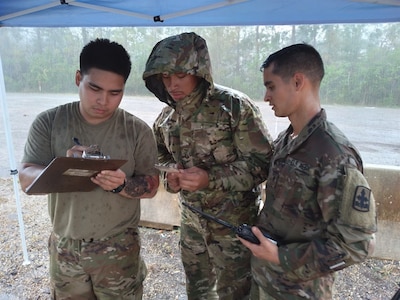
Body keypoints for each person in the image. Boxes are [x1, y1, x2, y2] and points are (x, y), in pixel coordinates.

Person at [19, 38, 160, 299]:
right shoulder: (50, 123)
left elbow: (151, 185)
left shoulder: (137, 131)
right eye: (94, 88)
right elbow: (26, 179)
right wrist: (63, 167)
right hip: (66, 249)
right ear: (77, 79)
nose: (103, 100)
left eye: (115, 93)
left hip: (119, 249)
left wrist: (123, 185)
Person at [239, 43, 377, 299]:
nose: (266, 96)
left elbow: (357, 245)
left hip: (299, 290)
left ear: (298, 82)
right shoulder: (287, 139)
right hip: (266, 281)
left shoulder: (334, 154)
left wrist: (281, 256)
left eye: (271, 86)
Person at [142, 32, 274, 299]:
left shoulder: (235, 108)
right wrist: (172, 178)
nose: (172, 84)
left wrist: (209, 178)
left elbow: (262, 164)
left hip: (233, 228)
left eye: (180, 75)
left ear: (198, 71)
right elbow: (160, 155)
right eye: (165, 77)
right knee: (198, 289)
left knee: (237, 292)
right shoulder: (167, 117)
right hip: (192, 224)